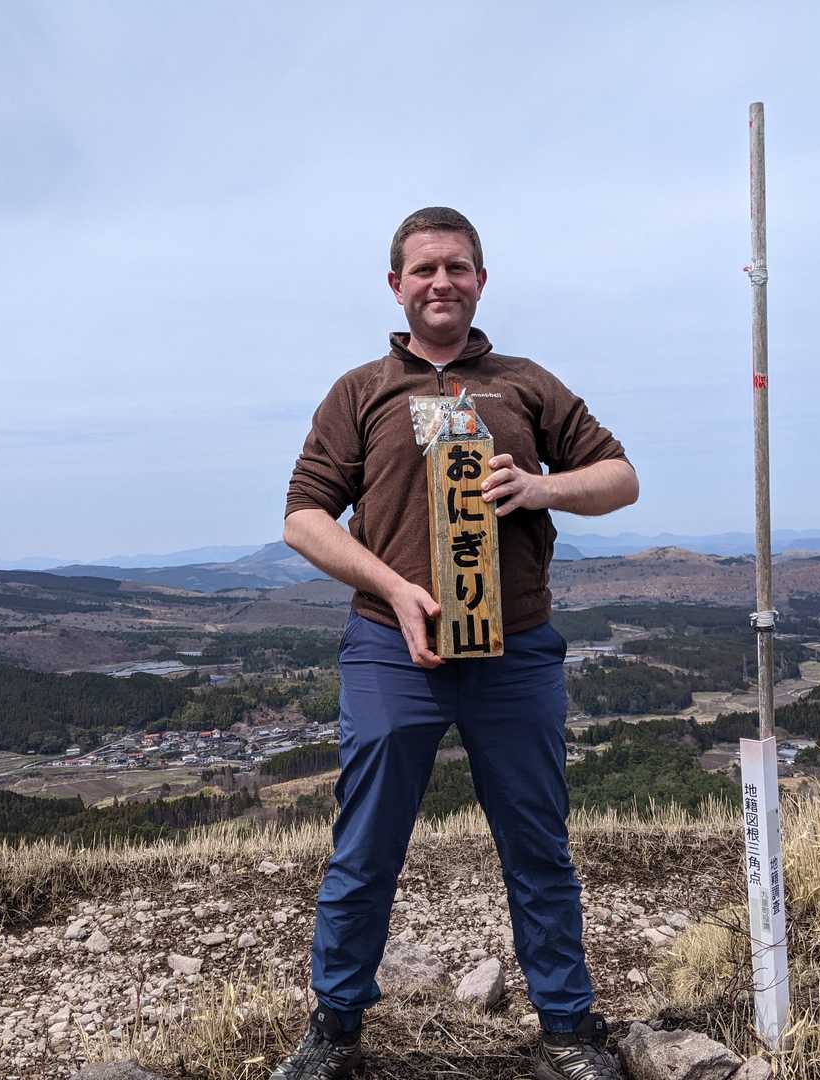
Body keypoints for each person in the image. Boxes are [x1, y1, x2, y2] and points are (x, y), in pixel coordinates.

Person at [273, 207, 639, 1080]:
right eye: (425, 268)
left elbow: (621, 478)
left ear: (481, 280)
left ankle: (567, 1029)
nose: (442, 282)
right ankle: (336, 1029)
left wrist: (543, 487)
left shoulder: (526, 384)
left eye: (458, 267)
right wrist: (393, 589)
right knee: (366, 845)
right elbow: (303, 517)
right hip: (390, 649)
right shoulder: (360, 391)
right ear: (395, 285)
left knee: (538, 845)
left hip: (516, 651)